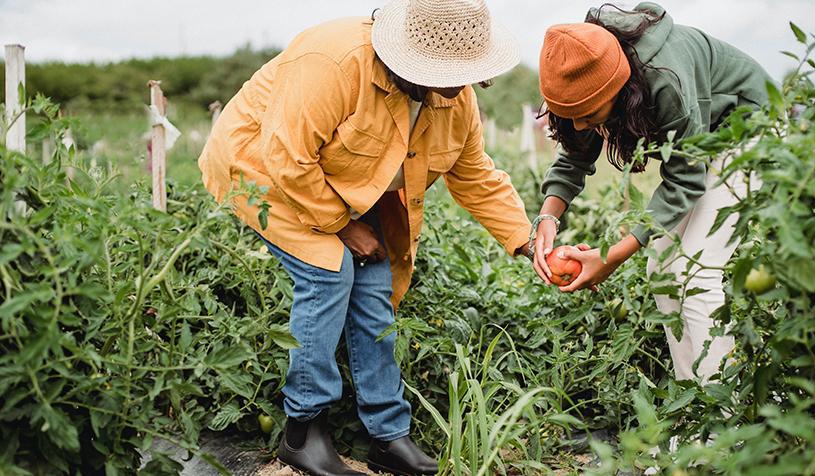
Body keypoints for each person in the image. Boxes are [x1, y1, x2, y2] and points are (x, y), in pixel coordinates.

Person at [198, 0, 532, 474]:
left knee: (375, 281)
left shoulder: (454, 98)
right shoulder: (333, 62)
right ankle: (302, 430)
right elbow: (287, 158)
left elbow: (475, 174)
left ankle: (387, 435)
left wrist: (526, 240)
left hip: (342, 184)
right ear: (409, 57)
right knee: (328, 273)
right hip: (263, 173)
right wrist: (345, 227)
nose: (458, 87)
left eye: (467, 74)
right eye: (446, 73)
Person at [531, 2, 772, 383]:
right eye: (570, 114)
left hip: (751, 132)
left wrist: (609, 257)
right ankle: (690, 406)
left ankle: (723, 423)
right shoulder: (583, 67)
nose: (579, 124)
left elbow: (685, 180)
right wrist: (547, 218)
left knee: (695, 270)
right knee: (660, 267)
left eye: (589, 115)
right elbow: (573, 158)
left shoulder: (665, 80)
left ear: (619, 90)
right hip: (706, 142)